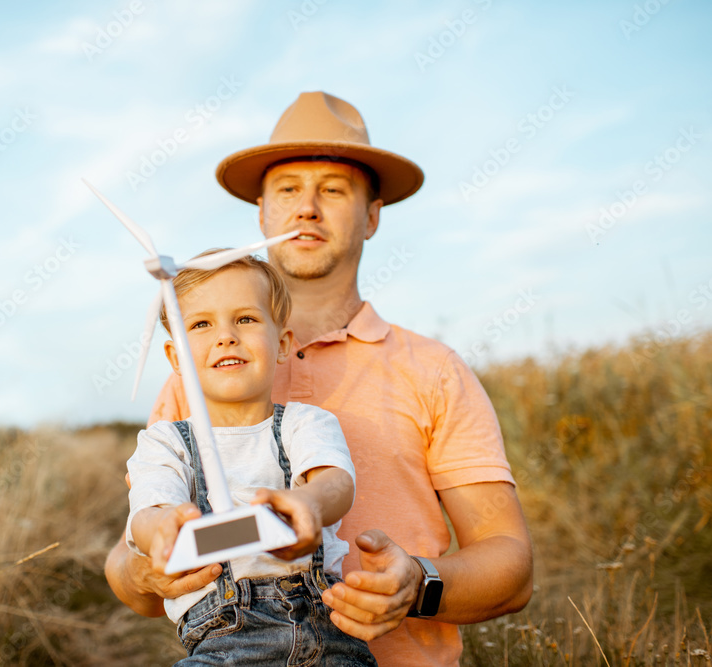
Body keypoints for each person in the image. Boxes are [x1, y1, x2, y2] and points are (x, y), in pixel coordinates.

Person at [106, 91, 534, 666]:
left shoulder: (434, 370)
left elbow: (511, 566)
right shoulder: (198, 378)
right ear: (262, 212)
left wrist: (417, 584)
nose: (307, 208)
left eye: (333, 190)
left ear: (372, 215)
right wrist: (148, 568)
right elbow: (130, 570)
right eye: (288, 189)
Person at [126, 252, 377, 665]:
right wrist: (162, 526)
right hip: (223, 641)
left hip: (327, 631)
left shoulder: (305, 423)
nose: (226, 336)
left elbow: (335, 481)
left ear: (281, 344)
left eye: (245, 319)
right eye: (202, 324)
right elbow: (149, 511)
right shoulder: (164, 442)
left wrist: (311, 503)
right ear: (175, 358)